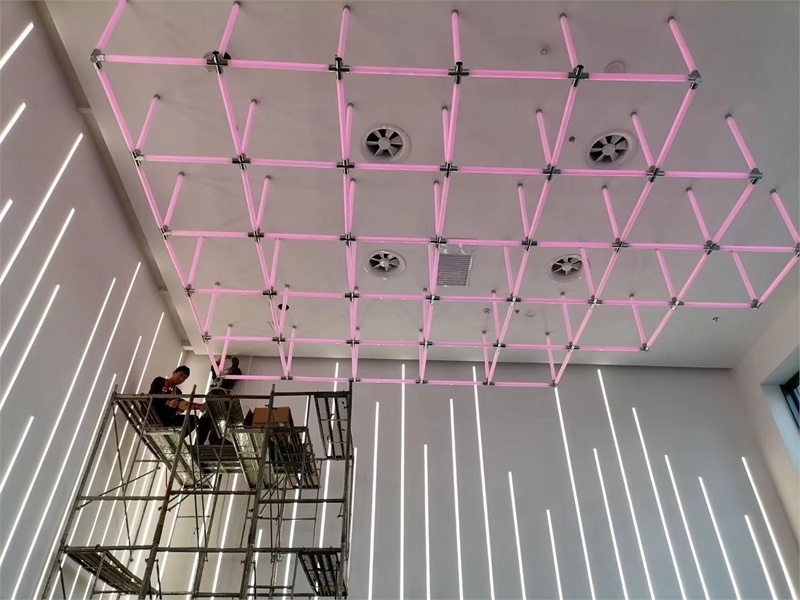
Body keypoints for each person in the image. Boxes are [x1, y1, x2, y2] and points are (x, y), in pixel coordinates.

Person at [148, 365, 214, 445]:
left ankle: (175, 441)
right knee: (178, 404)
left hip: (167, 418)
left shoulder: (178, 392)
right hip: (153, 413)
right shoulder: (160, 381)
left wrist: (178, 409)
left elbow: (180, 404)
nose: (181, 379)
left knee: (194, 419)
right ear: (174, 372)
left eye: (184, 378)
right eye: (180, 375)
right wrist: (168, 403)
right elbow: (152, 397)